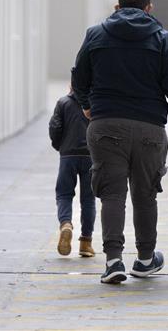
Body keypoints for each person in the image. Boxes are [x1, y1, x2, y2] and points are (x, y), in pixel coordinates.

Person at [71, 0, 168, 284]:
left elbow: (79, 75)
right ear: (148, 8)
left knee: (111, 195)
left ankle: (113, 262)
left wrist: (87, 105)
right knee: (145, 195)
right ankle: (145, 259)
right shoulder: (160, 38)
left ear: (117, 6)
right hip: (149, 127)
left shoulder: (95, 33)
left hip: (105, 124)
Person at [49, 86, 96, 258]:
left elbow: (54, 128)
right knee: (88, 199)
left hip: (68, 155)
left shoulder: (63, 103)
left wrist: (60, 147)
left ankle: (66, 224)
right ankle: (86, 242)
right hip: (91, 156)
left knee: (64, 194)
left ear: (71, 85)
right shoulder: (96, 103)